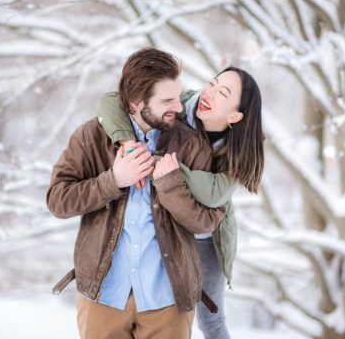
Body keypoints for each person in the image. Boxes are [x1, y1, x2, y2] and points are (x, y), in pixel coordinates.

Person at [46, 48, 226, 339]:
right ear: (135, 103)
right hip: (103, 296)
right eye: (166, 101)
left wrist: (170, 186)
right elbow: (57, 200)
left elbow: (208, 221)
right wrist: (114, 180)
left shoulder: (192, 145)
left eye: (177, 97)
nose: (178, 108)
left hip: (168, 301)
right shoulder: (91, 137)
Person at [96, 67, 264, 339]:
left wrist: (165, 165)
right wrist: (127, 142)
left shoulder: (242, 149)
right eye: (213, 83)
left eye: (223, 93)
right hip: (164, 223)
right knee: (152, 305)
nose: (209, 93)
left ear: (235, 116)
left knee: (211, 317)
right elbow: (110, 100)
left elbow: (212, 194)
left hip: (205, 235)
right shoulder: (182, 104)